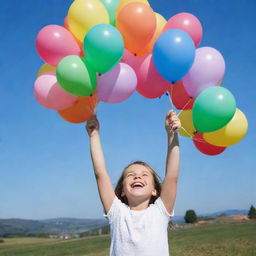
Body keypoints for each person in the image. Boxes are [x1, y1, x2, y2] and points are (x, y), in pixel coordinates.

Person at [86, 110, 181, 256]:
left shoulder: (160, 211)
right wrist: (94, 135)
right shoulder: (117, 212)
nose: (137, 177)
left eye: (144, 175)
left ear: (155, 190)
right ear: (122, 190)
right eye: (131, 175)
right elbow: (100, 174)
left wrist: (172, 134)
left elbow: (172, 176)